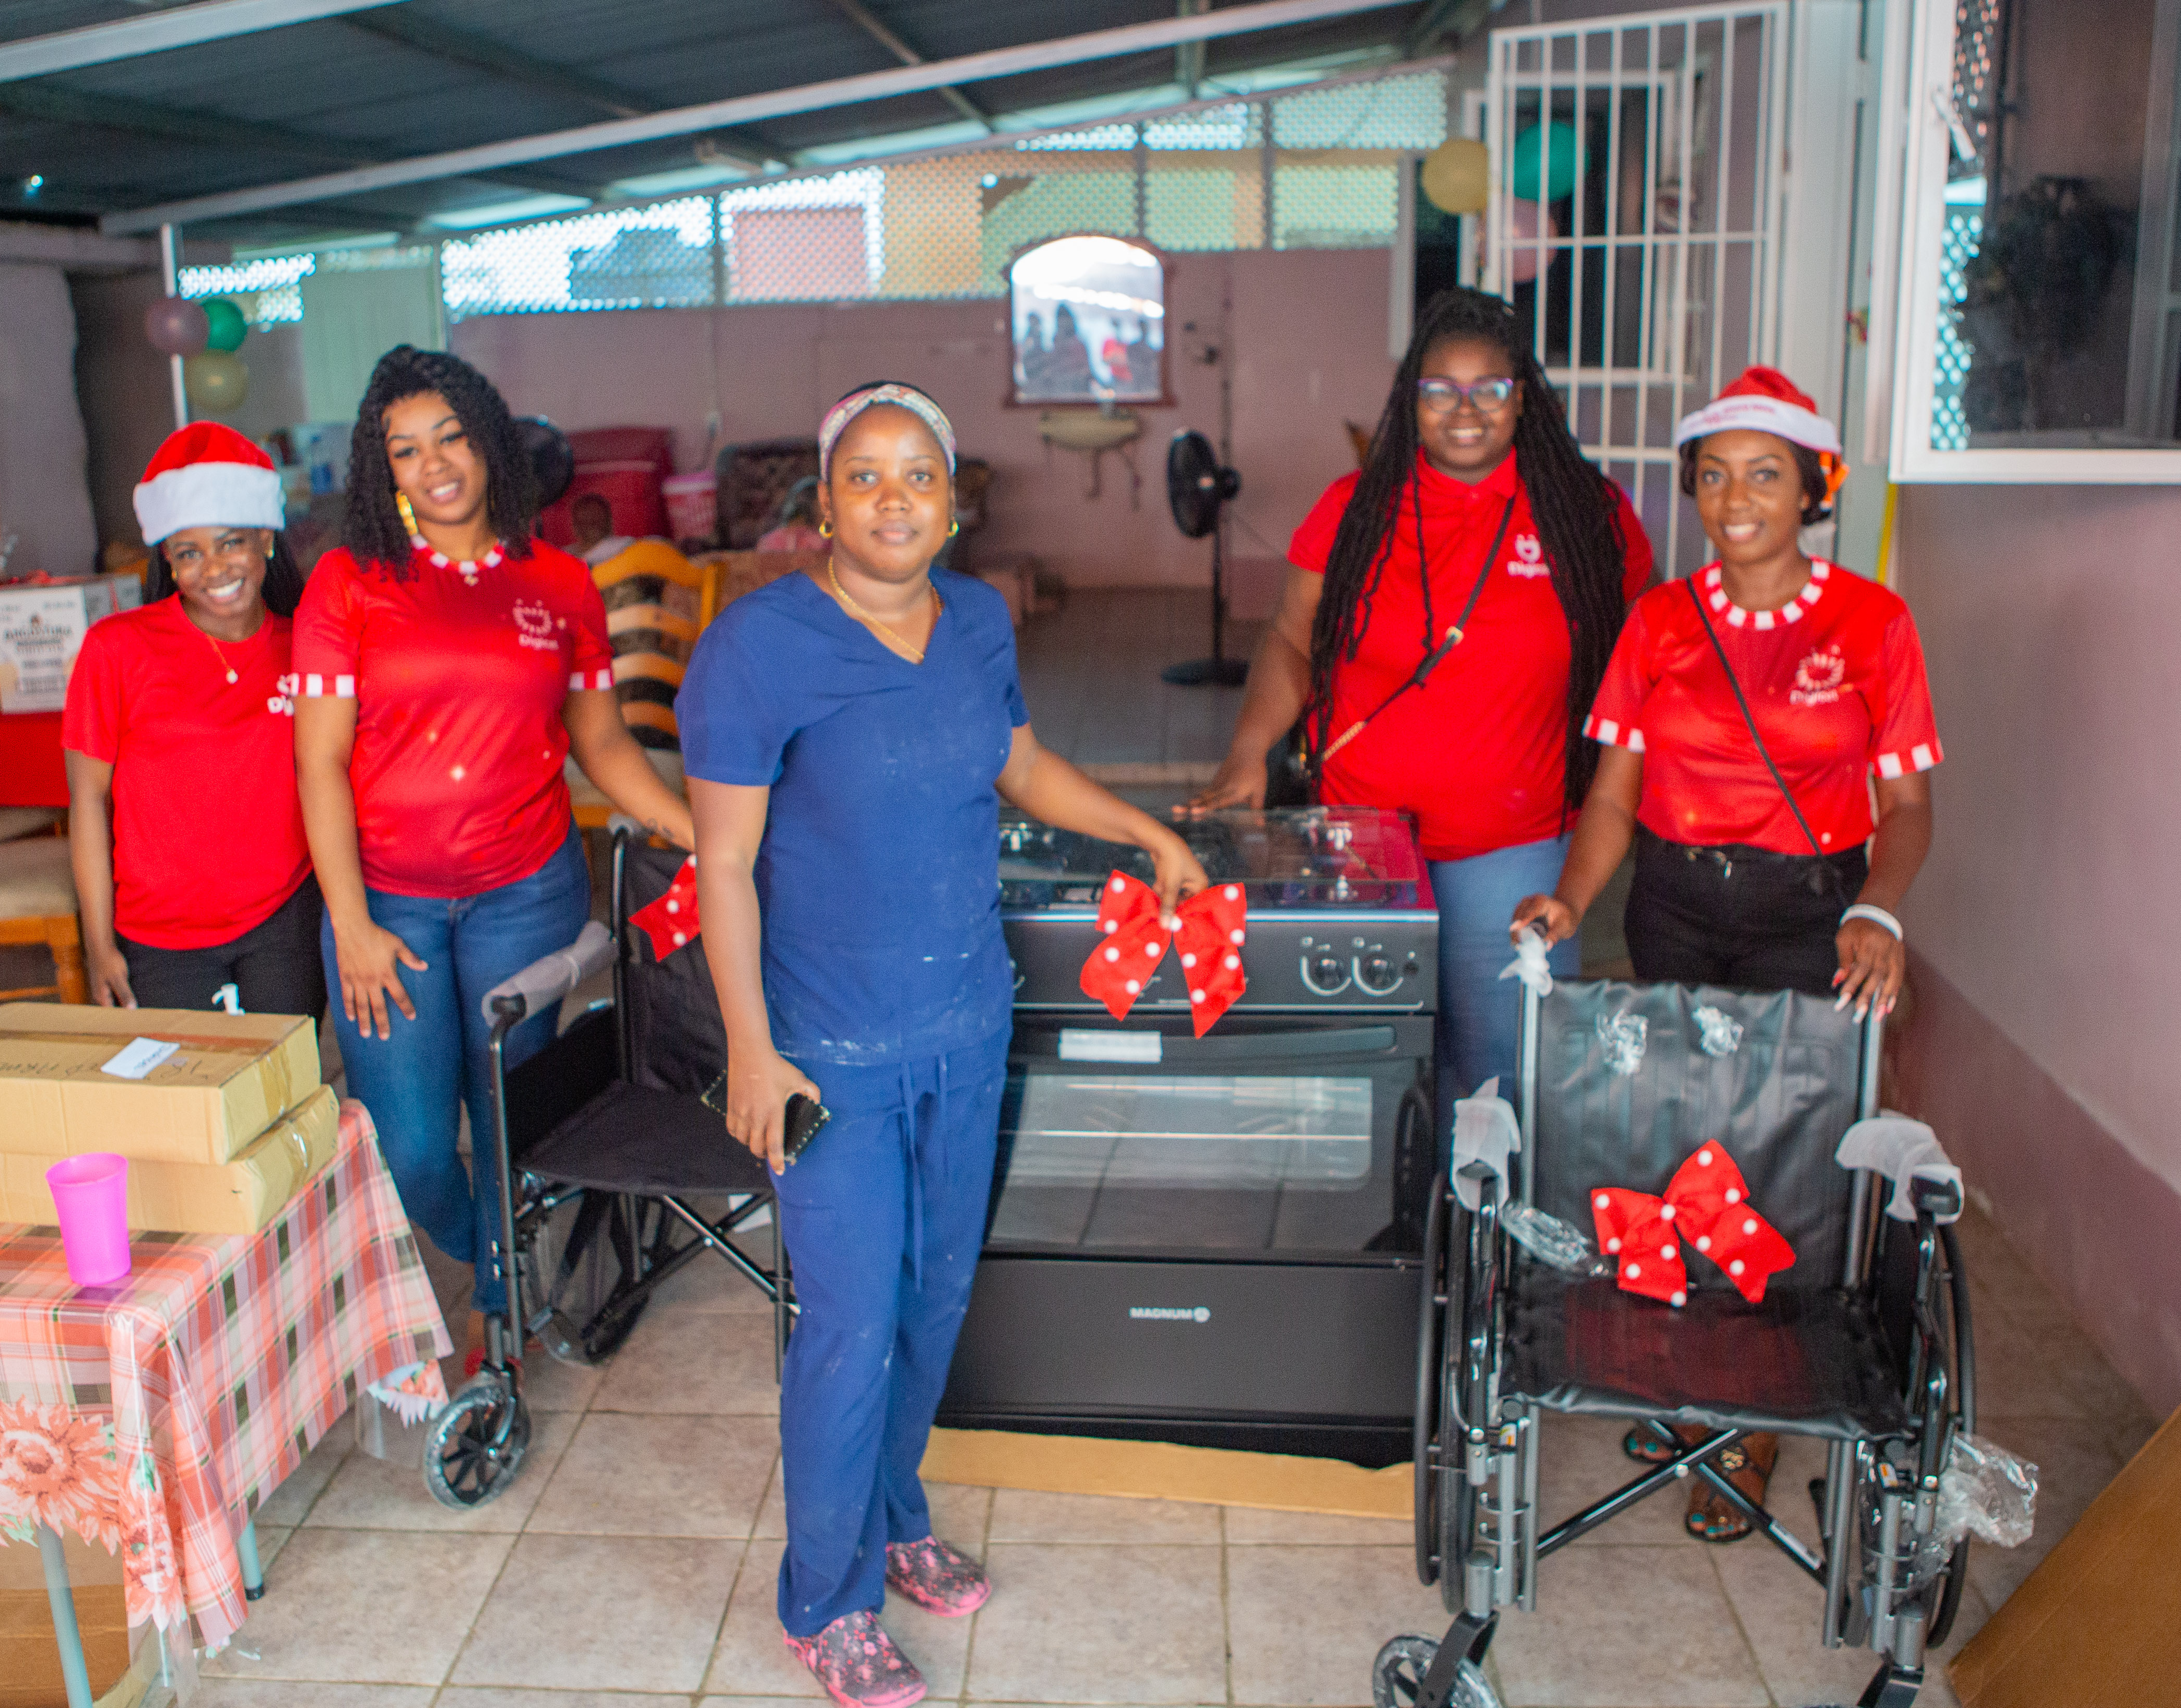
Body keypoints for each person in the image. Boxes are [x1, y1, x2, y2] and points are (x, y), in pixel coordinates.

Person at [683, 382, 1209, 1708]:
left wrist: (1141, 831)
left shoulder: (977, 619)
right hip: (820, 1052)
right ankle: (826, 1599)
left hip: (965, 1024)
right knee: (851, 1321)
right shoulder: (753, 649)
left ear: (952, 497)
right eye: (862, 476)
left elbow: (1016, 765)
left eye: (916, 474)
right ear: (822, 503)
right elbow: (725, 864)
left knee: (932, 1304)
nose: (893, 498)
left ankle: (896, 1510)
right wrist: (751, 1047)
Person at [1510, 366, 1940, 1540]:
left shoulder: (1871, 624)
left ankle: (1750, 1423)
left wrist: (1880, 912)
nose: (1733, 495)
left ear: (1813, 488)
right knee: (1686, 1140)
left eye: (1763, 473)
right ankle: (1688, 1376)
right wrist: (1565, 901)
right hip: (1674, 905)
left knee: (1787, 1154)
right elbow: (1611, 799)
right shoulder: (1657, 621)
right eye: (1712, 474)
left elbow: (1903, 810)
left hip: (1814, 916)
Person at [292, 345, 695, 1322]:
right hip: (387, 904)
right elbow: (317, 764)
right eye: (404, 449)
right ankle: (494, 1252)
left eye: (451, 436)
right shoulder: (348, 582)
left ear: (489, 444)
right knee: (416, 1147)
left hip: (526, 892)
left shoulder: (558, 582)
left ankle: (507, 1315)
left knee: (510, 1119)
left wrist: (691, 832)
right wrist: (348, 923)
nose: (433, 464)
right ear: (381, 469)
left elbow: (599, 738)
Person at [1192, 289, 1655, 1109]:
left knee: (1505, 1071)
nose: (1464, 409)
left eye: (1490, 388)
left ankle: (1493, 1231)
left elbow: (1631, 666)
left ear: (1524, 399)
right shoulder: (1352, 510)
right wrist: (1245, 753)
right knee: (1379, 1060)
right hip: (1362, 840)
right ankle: (1405, 1230)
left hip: (1514, 841)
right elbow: (1292, 641)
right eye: (1439, 389)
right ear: (1410, 401)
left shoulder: (1589, 517)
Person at [64, 423, 323, 1020]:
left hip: (283, 916)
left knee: (283, 1090)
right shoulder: (116, 649)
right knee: (188, 1101)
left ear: (266, 539)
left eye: (231, 543)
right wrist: (99, 944)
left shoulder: (307, 643)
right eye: (188, 553)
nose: (214, 567)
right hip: (159, 934)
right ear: (169, 563)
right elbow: (88, 799)